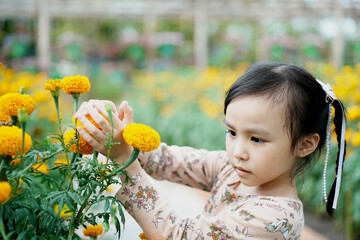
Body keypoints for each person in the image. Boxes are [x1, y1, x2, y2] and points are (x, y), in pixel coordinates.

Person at [75, 62, 347, 240]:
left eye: (257, 139)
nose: (238, 151)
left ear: (305, 144)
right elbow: (167, 161)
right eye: (231, 132)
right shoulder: (232, 169)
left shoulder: (275, 217)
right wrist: (121, 133)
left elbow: (178, 235)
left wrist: (127, 163)